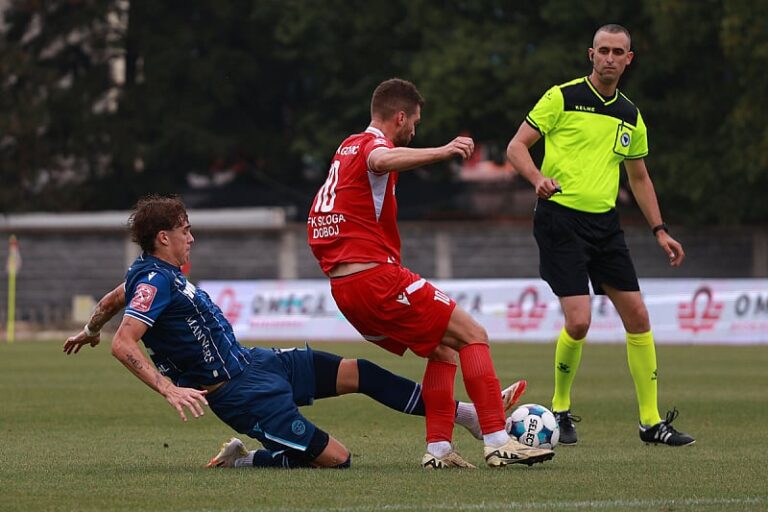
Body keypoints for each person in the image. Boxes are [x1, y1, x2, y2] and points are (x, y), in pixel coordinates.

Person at [63, 194, 529, 470]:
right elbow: (126, 343)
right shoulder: (154, 278)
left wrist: (88, 329)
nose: (192, 238)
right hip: (240, 396)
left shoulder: (149, 273)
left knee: (360, 372)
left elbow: (111, 301)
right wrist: (167, 388)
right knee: (338, 459)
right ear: (163, 237)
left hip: (258, 362)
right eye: (185, 231)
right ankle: (245, 460)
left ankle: (465, 415)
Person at [307, 78, 555, 468]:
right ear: (400, 117)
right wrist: (443, 151)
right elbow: (381, 160)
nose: (414, 131)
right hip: (375, 279)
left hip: (345, 290)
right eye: (414, 123)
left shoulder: (345, 147)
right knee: (473, 334)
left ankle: (439, 449)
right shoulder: (374, 146)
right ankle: (497, 439)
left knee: (442, 349)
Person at [506, 24, 694, 446]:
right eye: (603, 50)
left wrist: (660, 231)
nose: (609, 58)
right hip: (560, 221)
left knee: (640, 318)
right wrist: (537, 177)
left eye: (618, 52)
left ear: (630, 59)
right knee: (579, 321)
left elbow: (640, 178)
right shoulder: (562, 97)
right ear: (591, 54)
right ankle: (558, 407)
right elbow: (516, 147)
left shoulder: (630, 114)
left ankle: (650, 423)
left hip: (605, 226)